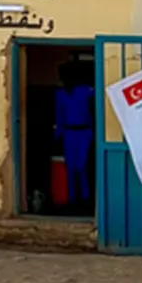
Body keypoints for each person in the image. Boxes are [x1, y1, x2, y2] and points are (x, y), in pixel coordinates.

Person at [53, 62, 96, 206]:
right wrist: (57, 136)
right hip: (68, 132)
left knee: (81, 165)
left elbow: (99, 93)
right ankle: (72, 199)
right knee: (70, 167)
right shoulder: (60, 94)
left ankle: (85, 197)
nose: (65, 78)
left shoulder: (84, 90)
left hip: (84, 131)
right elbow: (59, 116)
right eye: (63, 76)